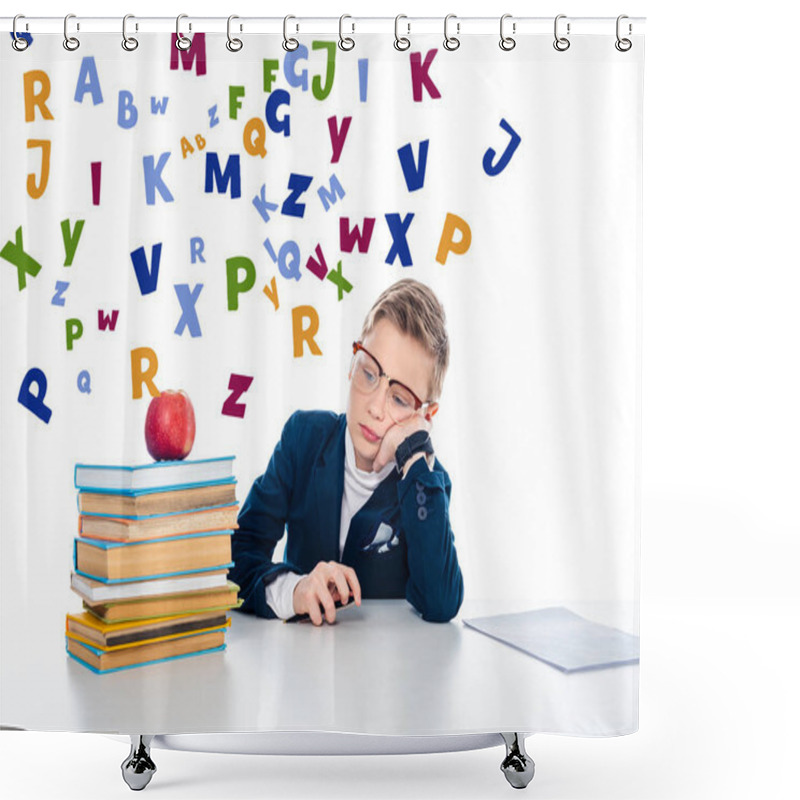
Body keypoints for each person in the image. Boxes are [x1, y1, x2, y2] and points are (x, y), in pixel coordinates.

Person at [231, 278, 463, 625]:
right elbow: (236, 558)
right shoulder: (302, 440)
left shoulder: (426, 485)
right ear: (352, 364)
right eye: (369, 373)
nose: (375, 407)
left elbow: (441, 602)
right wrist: (294, 590)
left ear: (425, 417)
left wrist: (414, 455)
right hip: (302, 660)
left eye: (399, 399)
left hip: (389, 672)